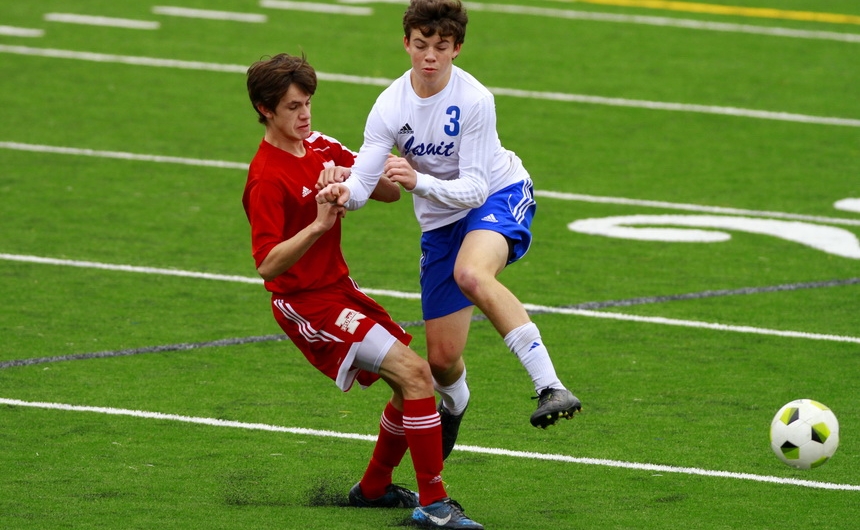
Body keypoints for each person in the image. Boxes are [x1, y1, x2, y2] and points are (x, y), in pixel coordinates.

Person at [317, 0, 582, 460]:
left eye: (441, 47)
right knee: (441, 360)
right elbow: (363, 184)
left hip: (497, 195)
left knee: (473, 274)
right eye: (421, 45)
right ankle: (454, 405)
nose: (429, 57)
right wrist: (345, 193)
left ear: (457, 48)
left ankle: (550, 386)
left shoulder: (474, 100)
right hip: (439, 221)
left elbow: (476, 188)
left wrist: (417, 180)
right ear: (406, 43)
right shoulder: (388, 105)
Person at [242, 53, 483, 529]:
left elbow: (389, 193)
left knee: (409, 385)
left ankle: (373, 488)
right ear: (266, 109)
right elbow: (267, 265)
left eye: (308, 103)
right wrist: (318, 223)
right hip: (305, 303)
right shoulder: (266, 177)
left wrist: (352, 181)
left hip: (339, 288)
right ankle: (434, 504)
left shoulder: (321, 146)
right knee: (416, 374)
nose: (305, 115)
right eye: (293, 107)